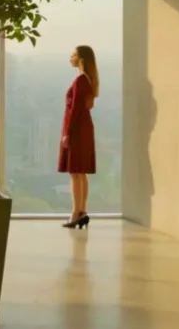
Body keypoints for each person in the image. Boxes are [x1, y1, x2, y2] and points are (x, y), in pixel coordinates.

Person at [58, 45, 98, 229]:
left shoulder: (81, 80)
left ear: (81, 59)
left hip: (77, 129)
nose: (70, 57)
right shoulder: (87, 80)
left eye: (73, 55)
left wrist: (68, 133)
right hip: (84, 128)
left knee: (75, 172)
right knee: (80, 172)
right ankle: (82, 211)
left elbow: (75, 110)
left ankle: (76, 213)